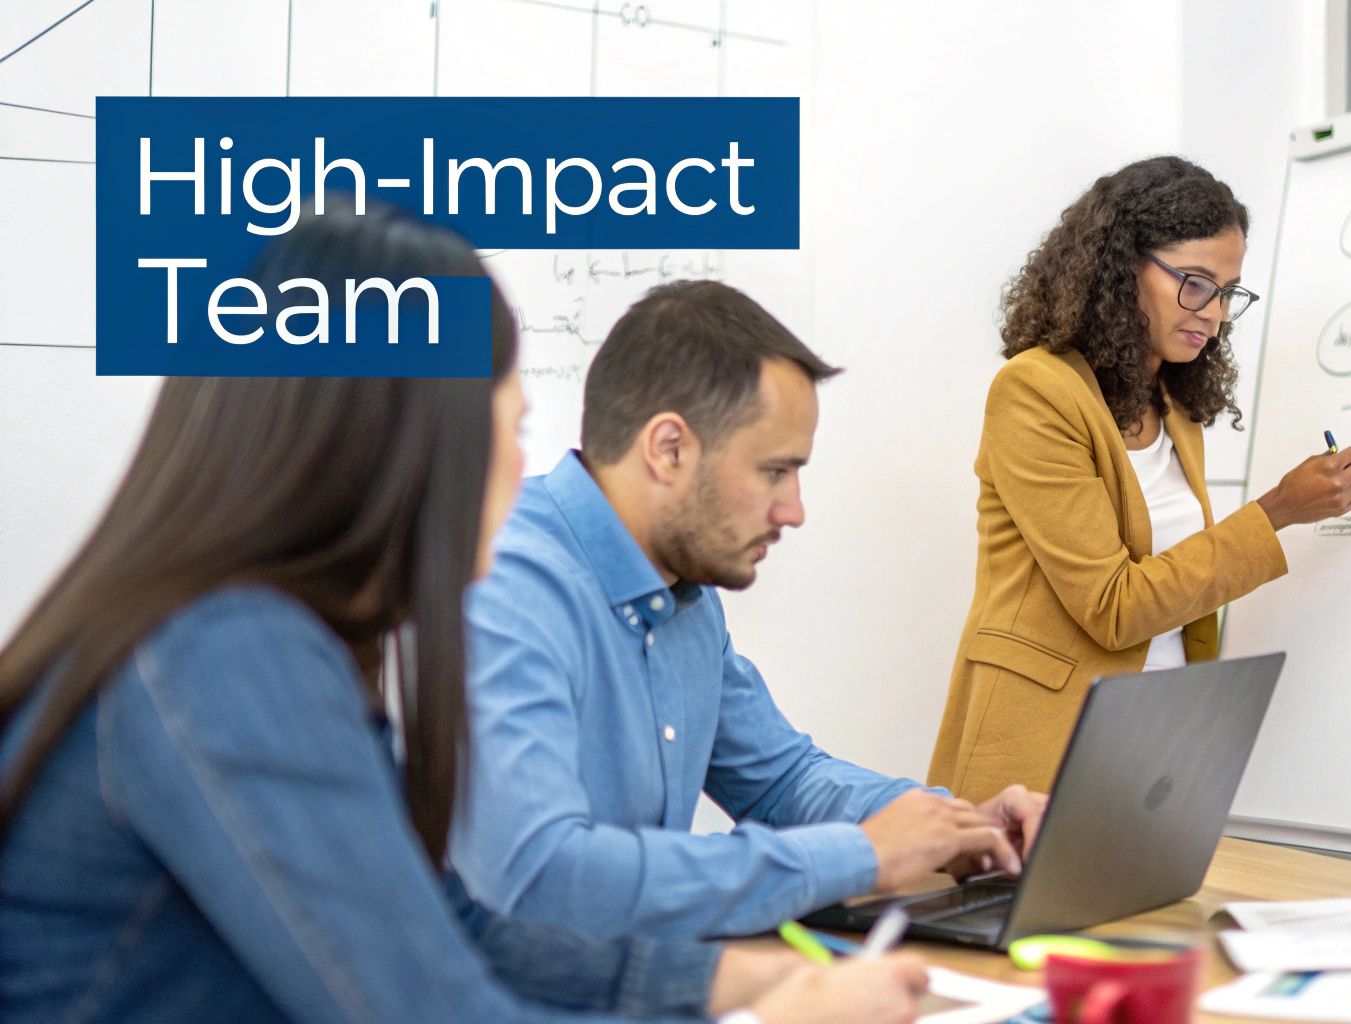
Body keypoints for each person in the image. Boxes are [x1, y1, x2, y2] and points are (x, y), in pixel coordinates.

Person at [0, 202, 925, 1023]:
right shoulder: (230, 655)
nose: (524, 466)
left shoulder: (261, 637)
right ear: (407, 433)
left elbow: (452, 931)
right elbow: (436, 1008)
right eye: (511, 425)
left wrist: (727, 984)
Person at [454, 280, 1046, 941]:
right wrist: (862, 854)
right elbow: (543, 875)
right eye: (774, 472)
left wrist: (956, 826)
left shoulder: (682, 588)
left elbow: (780, 782)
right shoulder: (506, 583)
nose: (794, 511)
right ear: (669, 449)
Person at [927, 156, 1351, 802]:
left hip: (1152, 746)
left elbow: (1180, 591)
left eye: (1228, 291)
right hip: (1044, 755)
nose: (1213, 313)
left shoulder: (1174, 406)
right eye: (1195, 282)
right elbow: (1114, 606)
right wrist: (1275, 510)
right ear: (1120, 266)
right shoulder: (1035, 392)